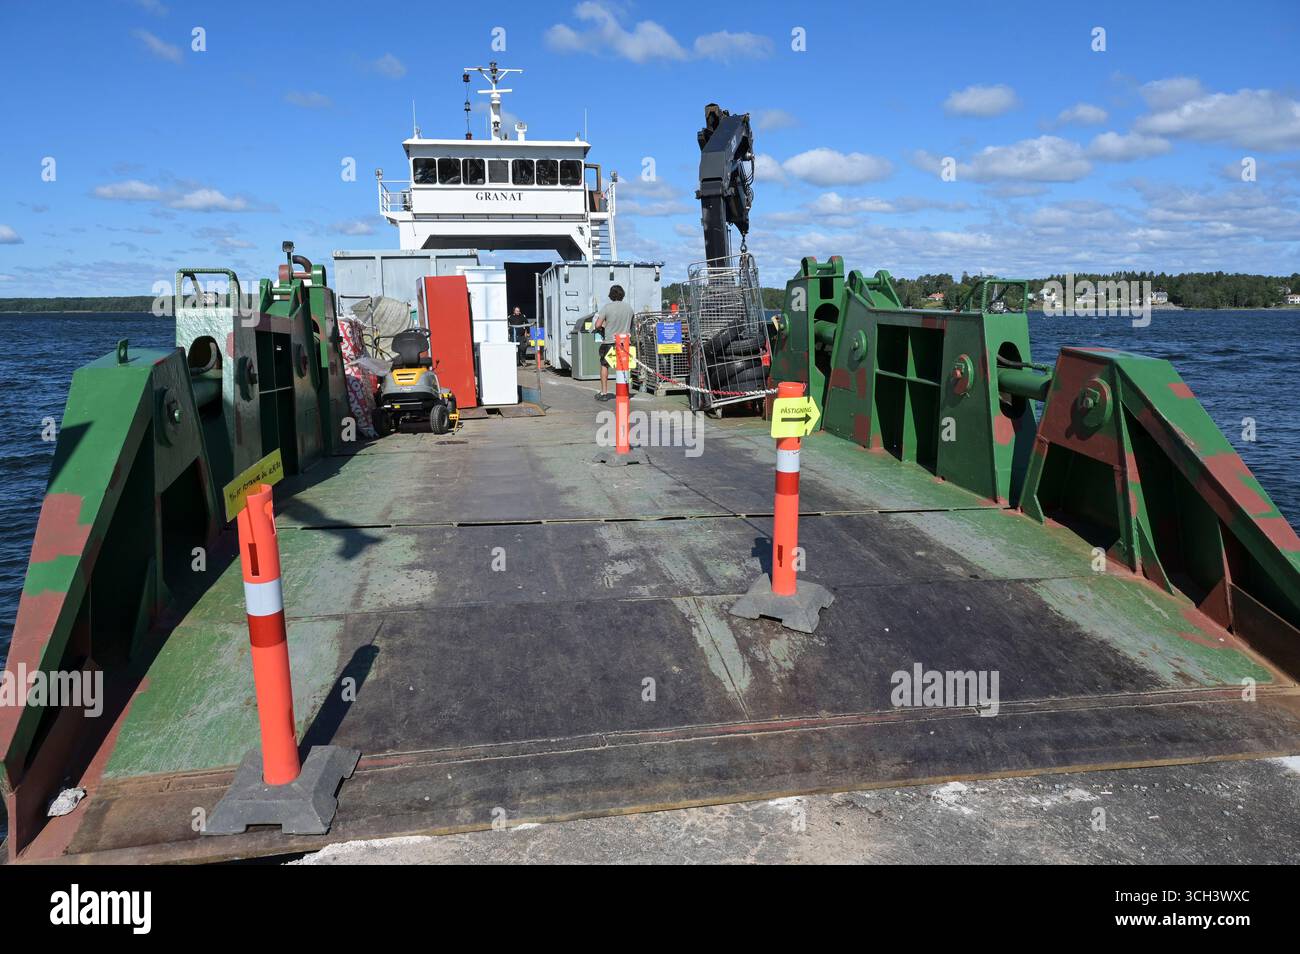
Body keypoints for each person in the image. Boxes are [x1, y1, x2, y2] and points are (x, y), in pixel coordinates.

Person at [593, 284, 633, 401]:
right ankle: (624, 392)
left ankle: (604, 393)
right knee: (624, 368)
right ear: (622, 295)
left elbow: (598, 325)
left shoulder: (607, 307)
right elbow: (631, 326)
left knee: (605, 366)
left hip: (610, 342)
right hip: (624, 343)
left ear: (611, 295)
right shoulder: (629, 308)